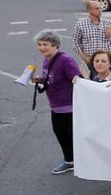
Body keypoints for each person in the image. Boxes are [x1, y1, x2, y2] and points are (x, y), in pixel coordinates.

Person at [32, 30, 82, 174]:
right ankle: (70, 160)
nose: (42, 48)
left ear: (56, 45)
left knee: (73, 136)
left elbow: (78, 80)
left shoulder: (65, 60)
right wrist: (40, 80)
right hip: (55, 105)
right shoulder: (47, 59)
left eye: (45, 44)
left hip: (68, 106)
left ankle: (78, 161)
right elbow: (51, 78)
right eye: (40, 44)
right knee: (60, 134)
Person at [72, 1, 111, 74]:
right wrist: (84, 58)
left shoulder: (107, 23)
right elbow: (75, 42)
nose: (100, 11)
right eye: (97, 9)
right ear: (89, 10)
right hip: (91, 59)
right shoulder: (80, 25)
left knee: (110, 82)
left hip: (107, 60)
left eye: (100, 8)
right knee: (93, 82)